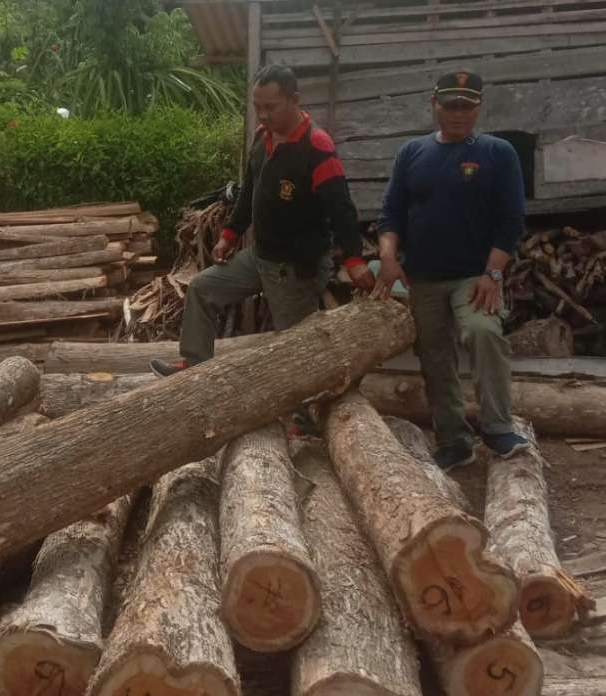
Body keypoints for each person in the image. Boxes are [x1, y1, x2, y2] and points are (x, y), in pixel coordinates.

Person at [150, 64, 374, 382]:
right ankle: (194, 368)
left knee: (297, 346)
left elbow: (341, 209)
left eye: (270, 107)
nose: (262, 114)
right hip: (260, 256)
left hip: (296, 268)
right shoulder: (262, 137)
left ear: (294, 100)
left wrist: (354, 259)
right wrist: (229, 234)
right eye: (257, 107)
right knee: (202, 288)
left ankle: (306, 414)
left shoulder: (316, 148)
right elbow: (250, 192)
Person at [372, 70, 530, 470]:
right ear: (434, 104)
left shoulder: (498, 153)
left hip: (473, 276)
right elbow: (390, 214)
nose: (458, 113)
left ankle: (497, 428)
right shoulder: (412, 153)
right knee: (435, 356)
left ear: (479, 107)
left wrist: (493, 274)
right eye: (450, 105)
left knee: (484, 332)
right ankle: (453, 440)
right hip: (422, 277)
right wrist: (388, 258)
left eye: (467, 106)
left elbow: (510, 220)